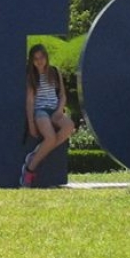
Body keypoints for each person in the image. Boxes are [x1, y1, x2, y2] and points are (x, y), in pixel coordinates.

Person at [20, 43, 76, 187]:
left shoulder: (54, 72)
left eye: (42, 57)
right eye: (35, 58)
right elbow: (30, 101)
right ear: (31, 61)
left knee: (69, 126)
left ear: (46, 57)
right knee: (50, 138)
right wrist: (31, 124)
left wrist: (59, 111)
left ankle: (38, 152)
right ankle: (29, 169)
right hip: (41, 111)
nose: (39, 61)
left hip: (54, 110)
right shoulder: (31, 76)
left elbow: (62, 95)